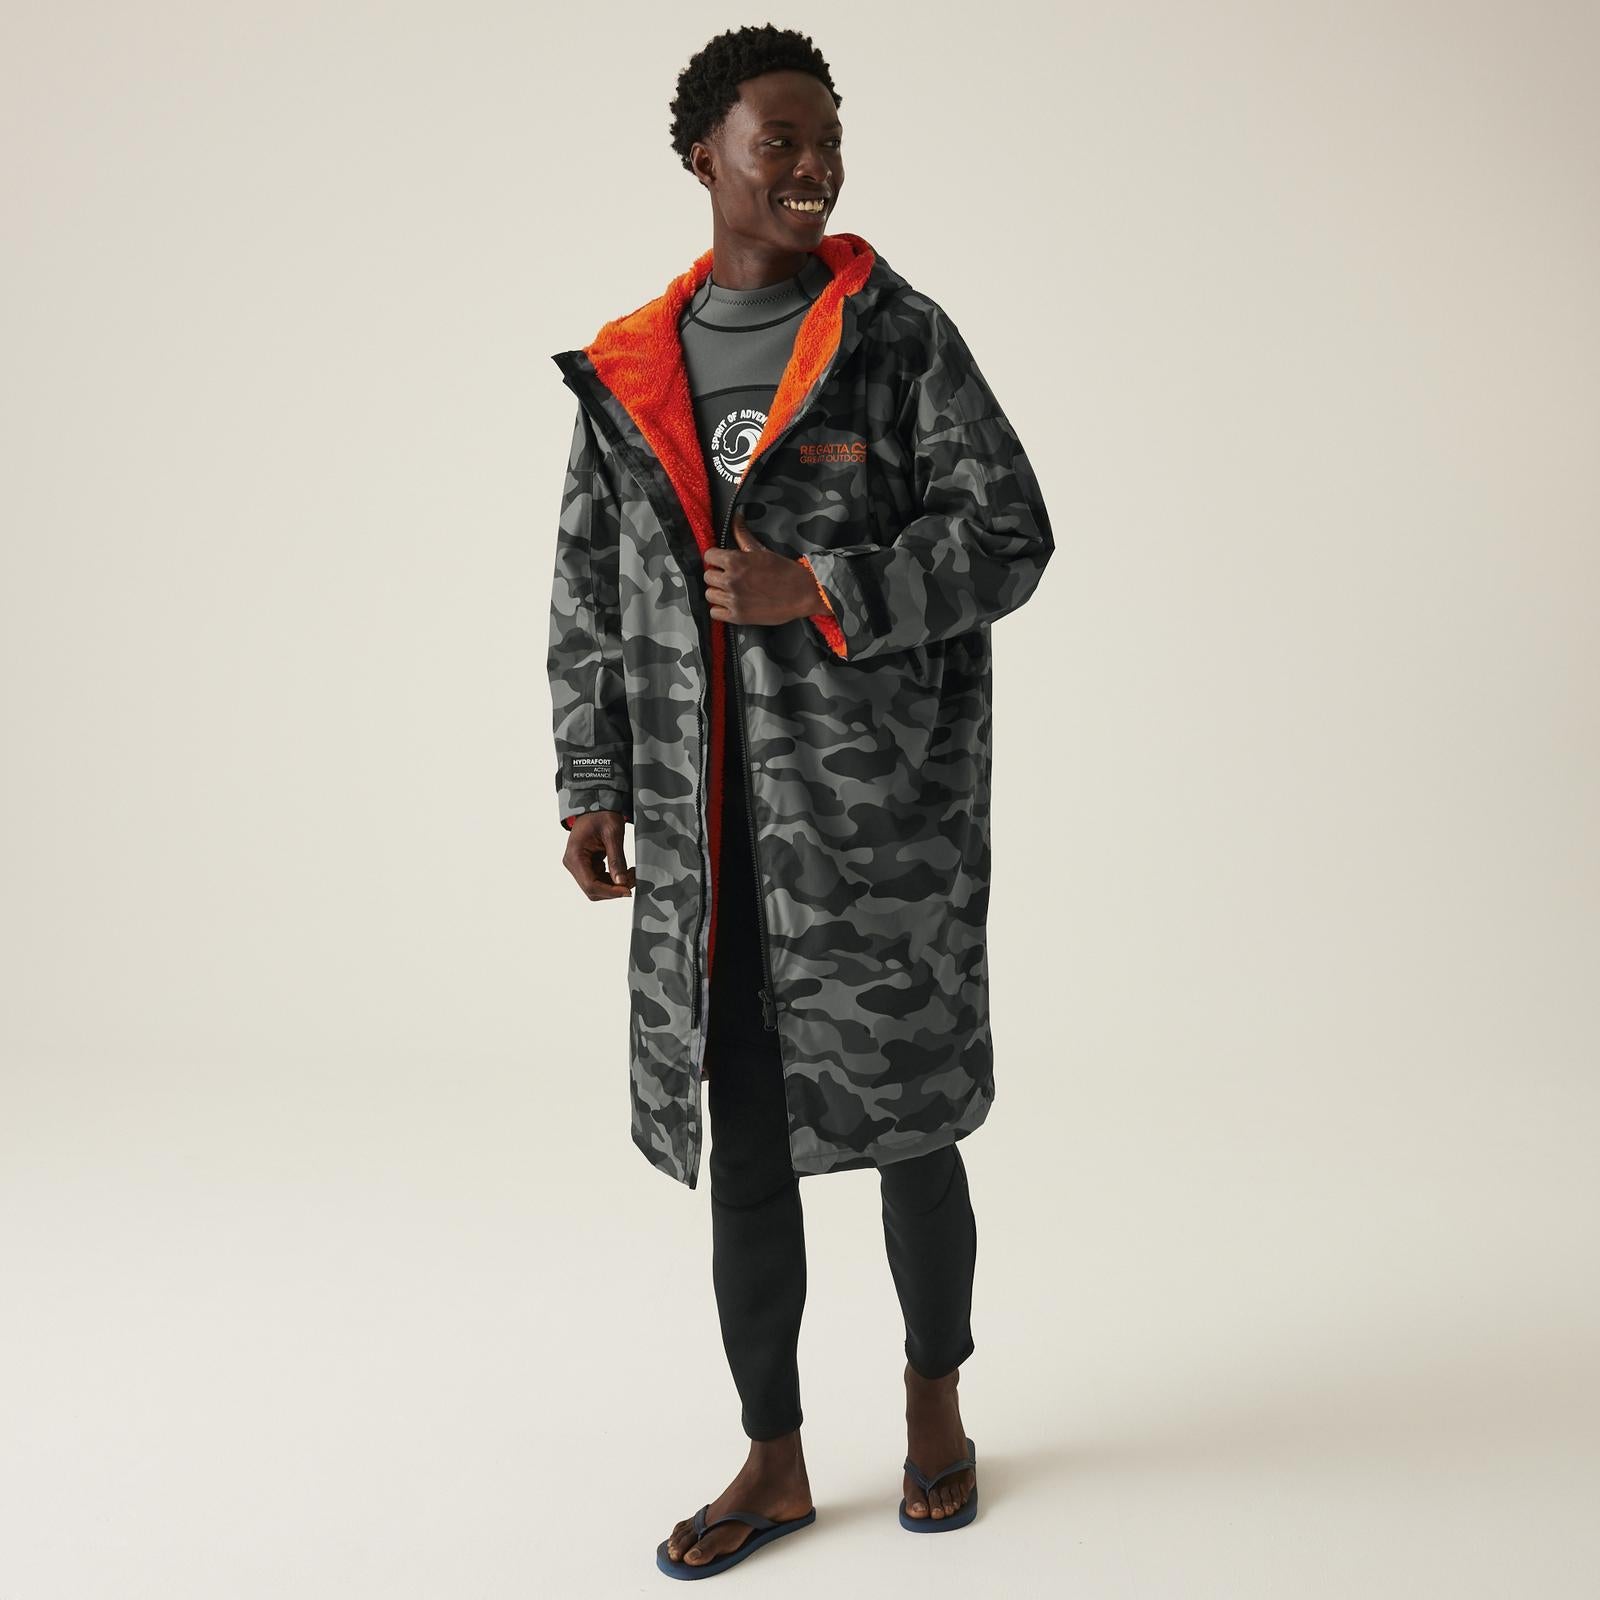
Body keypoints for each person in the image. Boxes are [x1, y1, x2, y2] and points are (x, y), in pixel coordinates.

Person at [546, 25, 1054, 1579]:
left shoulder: (896, 338)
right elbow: (589, 587)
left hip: (875, 838)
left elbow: (1011, 534)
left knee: (912, 1128)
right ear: (704, 153)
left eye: (828, 137)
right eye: (782, 140)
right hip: (708, 840)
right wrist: (593, 777)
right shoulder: (630, 369)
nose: (814, 165)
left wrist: (818, 588)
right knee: (749, 1141)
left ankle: (934, 1405)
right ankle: (772, 1456)